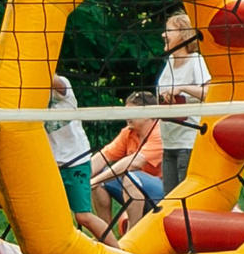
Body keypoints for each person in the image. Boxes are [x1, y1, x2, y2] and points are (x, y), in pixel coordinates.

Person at [154, 8, 210, 196]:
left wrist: (182, 88)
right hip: (169, 142)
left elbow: (209, 92)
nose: (163, 34)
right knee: (170, 200)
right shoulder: (169, 62)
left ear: (184, 35)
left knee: (186, 199)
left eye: (169, 30)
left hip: (189, 142)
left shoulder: (196, 61)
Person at [91, 94, 165, 235]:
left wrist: (94, 180)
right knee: (101, 177)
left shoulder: (159, 133)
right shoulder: (129, 132)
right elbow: (103, 156)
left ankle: (133, 236)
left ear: (147, 115)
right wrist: (81, 177)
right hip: (135, 187)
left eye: (131, 112)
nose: (126, 116)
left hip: (161, 194)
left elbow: (133, 162)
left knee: (130, 177)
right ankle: (106, 236)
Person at [48, 75, 107, 239]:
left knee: (83, 216)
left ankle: (120, 251)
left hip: (75, 159)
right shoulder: (27, 96)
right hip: (51, 162)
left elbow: (53, 79)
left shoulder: (61, 85)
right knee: (53, 215)